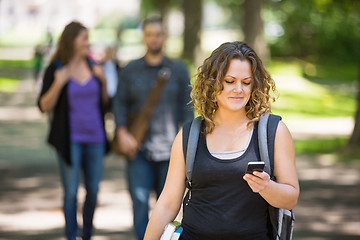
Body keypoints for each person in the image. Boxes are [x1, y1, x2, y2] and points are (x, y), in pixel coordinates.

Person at [144, 41, 300, 240]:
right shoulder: (190, 133)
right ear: (213, 82)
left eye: (246, 82)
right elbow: (167, 203)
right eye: (229, 81)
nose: (239, 89)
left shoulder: (274, 131)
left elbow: (291, 198)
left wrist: (267, 187)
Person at [112, 16, 193, 240]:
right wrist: (121, 132)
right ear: (144, 37)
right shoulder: (130, 70)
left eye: (158, 34)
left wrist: (185, 144)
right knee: (139, 201)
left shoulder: (178, 70)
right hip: (138, 148)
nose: (153, 39)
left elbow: (188, 109)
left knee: (168, 205)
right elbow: (119, 103)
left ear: (164, 37)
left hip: (170, 151)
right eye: (149, 34)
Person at [37, 21, 109, 240]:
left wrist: (103, 81)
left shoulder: (94, 67)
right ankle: (71, 235)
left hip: (95, 137)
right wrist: (59, 83)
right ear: (72, 41)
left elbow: (106, 104)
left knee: (94, 191)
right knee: (70, 193)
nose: (88, 43)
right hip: (70, 140)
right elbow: (43, 106)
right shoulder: (57, 68)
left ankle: (87, 234)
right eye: (84, 38)